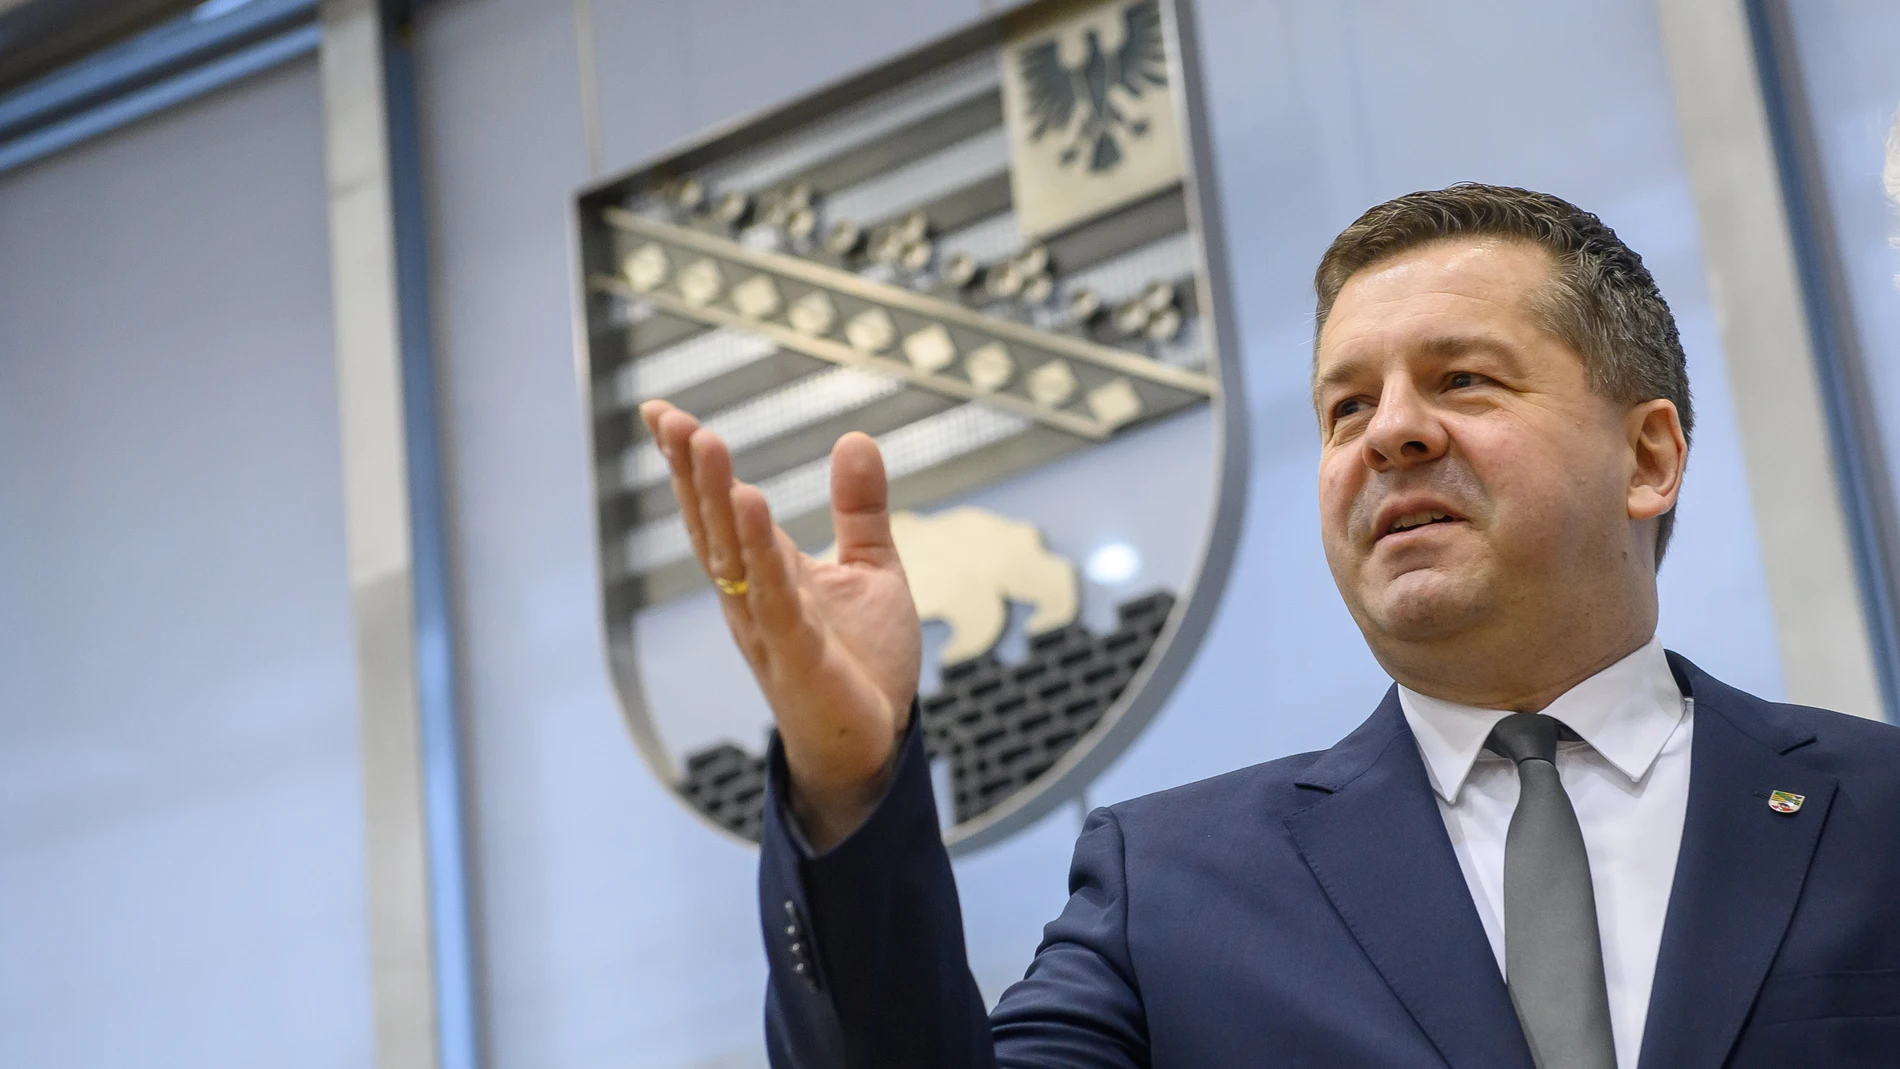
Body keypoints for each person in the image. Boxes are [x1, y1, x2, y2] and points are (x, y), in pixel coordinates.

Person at [638, 184, 1900, 1069]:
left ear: (1649, 456)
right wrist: (850, 783)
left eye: (1461, 379)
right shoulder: (1170, 893)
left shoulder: (1876, 812)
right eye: (1345, 407)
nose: (1389, 431)